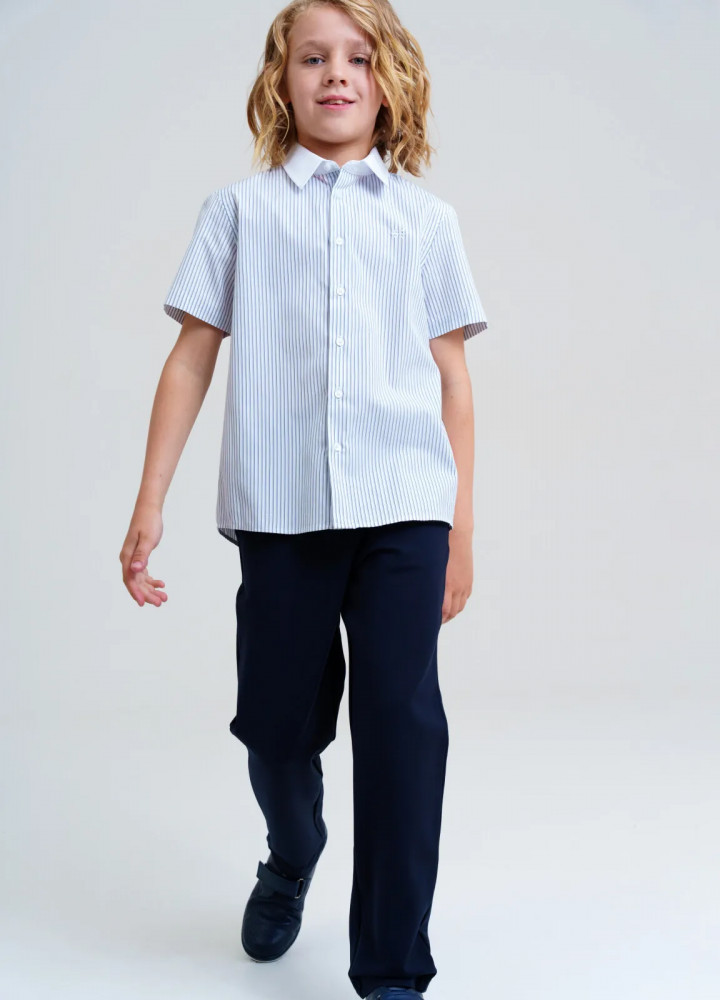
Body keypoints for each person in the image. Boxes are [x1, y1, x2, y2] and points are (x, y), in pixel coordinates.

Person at [119, 1, 488, 997]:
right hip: (281, 512)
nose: (336, 74)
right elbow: (191, 357)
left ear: (388, 81)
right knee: (278, 729)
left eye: (358, 58)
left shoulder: (425, 221)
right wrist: (150, 500)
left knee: (403, 725)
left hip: (405, 505)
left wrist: (459, 531)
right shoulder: (238, 213)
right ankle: (292, 851)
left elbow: (453, 380)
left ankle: (394, 973)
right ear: (280, 82)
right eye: (313, 58)